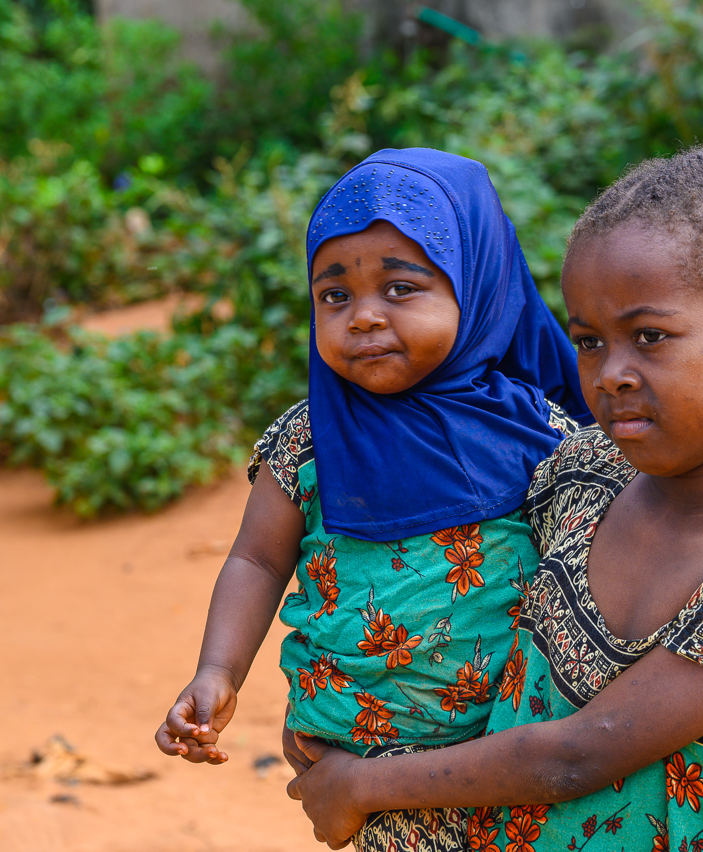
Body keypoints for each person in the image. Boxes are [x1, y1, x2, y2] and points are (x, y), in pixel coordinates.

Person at [285, 142, 703, 852]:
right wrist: (334, 702)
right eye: (587, 341)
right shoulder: (580, 476)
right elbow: (451, 605)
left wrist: (360, 786)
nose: (611, 374)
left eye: (650, 336)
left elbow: (579, 752)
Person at [154, 148, 592, 852]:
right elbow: (257, 560)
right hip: (367, 771)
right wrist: (217, 670)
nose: (362, 317)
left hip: (508, 763)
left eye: (400, 288)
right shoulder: (309, 439)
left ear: (477, 287)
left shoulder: (541, 435)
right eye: (335, 295)